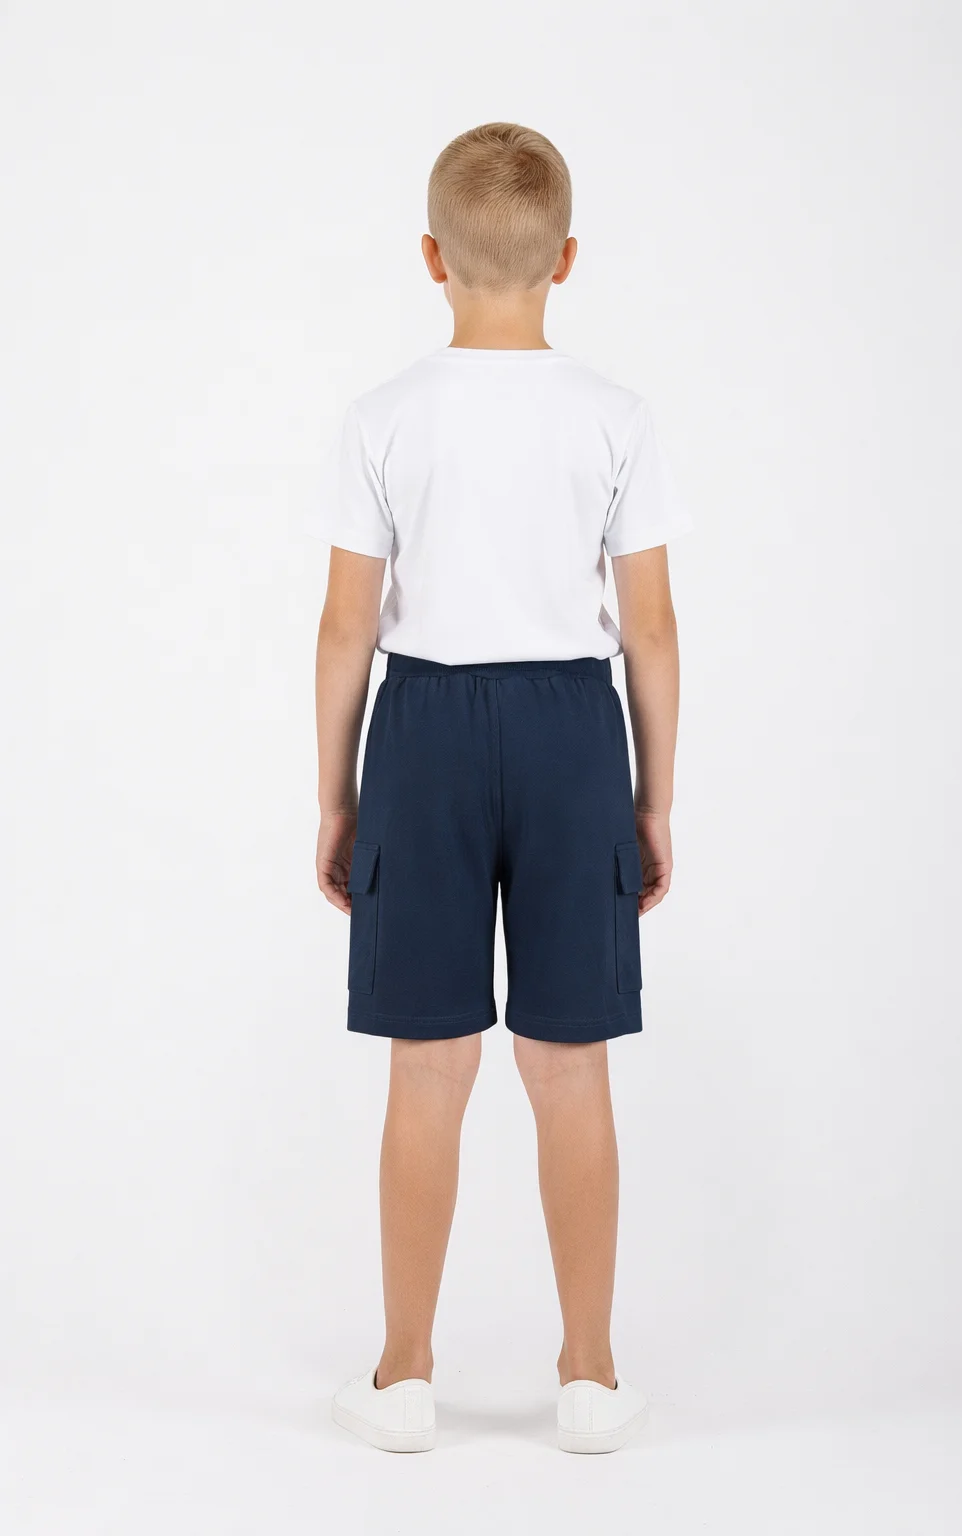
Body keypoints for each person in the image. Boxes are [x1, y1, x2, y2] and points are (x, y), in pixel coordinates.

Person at [309, 122, 690, 1454]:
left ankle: (403, 1378)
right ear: (566, 259)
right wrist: (653, 799)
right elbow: (651, 628)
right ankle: (589, 1377)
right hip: (574, 732)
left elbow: (345, 627)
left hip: (421, 730)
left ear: (432, 256)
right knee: (569, 1065)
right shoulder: (616, 417)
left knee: (429, 1065)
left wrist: (336, 797)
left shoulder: (383, 417)